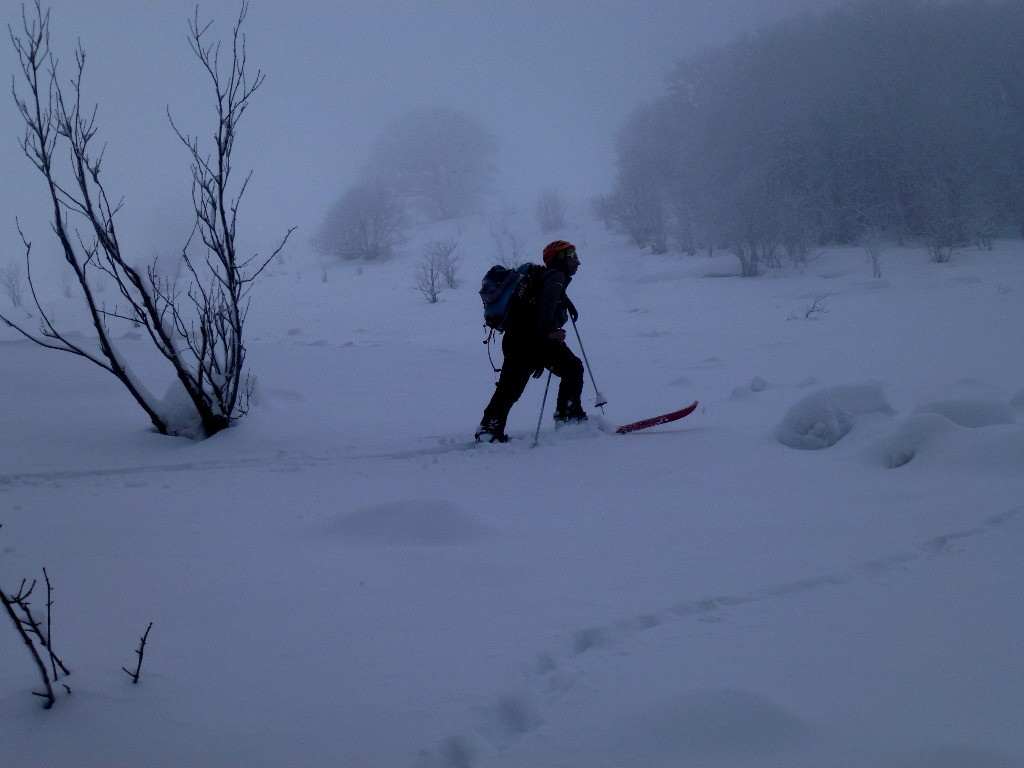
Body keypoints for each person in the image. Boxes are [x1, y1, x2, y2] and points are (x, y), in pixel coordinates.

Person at [476, 240, 587, 443]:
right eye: (573, 257)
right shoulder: (554, 277)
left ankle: (489, 428)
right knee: (572, 368)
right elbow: (544, 312)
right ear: (560, 260)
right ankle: (568, 418)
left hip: (519, 339)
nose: (577, 262)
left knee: (510, 387)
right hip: (531, 340)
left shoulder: (544, 277)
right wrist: (550, 333)